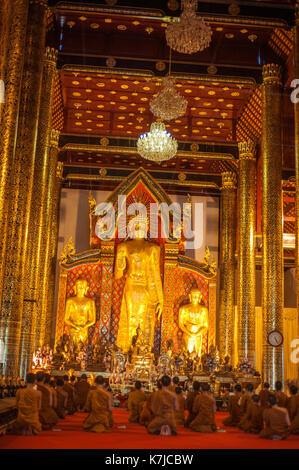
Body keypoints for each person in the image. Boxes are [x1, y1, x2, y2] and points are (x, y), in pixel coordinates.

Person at [114, 215, 164, 353]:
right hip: (131, 285)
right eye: (135, 226)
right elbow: (118, 274)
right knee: (131, 318)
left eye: (141, 225)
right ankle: (128, 349)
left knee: (145, 320)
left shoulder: (153, 248)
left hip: (145, 287)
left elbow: (155, 274)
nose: (138, 228)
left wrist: (160, 299)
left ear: (147, 227)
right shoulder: (123, 246)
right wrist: (120, 260)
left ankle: (143, 350)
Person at [64, 278, 96, 349]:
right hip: (73, 329)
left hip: (84, 329)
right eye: (79, 287)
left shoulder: (90, 302)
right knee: (72, 348)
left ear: (86, 289)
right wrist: (75, 326)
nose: (80, 289)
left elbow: (93, 320)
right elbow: (66, 319)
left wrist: (83, 327)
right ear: (75, 288)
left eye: (82, 287)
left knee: (82, 348)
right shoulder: (70, 301)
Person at [178, 288, 208, 357]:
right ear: (190, 296)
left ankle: (197, 366)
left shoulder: (203, 310)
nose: (195, 298)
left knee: (198, 355)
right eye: (193, 296)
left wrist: (197, 333)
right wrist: (190, 333)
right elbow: (181, 324)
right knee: (187, 354)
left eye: (197, 296)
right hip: (187, 333)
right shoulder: (183, 309)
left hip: (198, 334)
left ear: (200, 297)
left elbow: (206, 326)